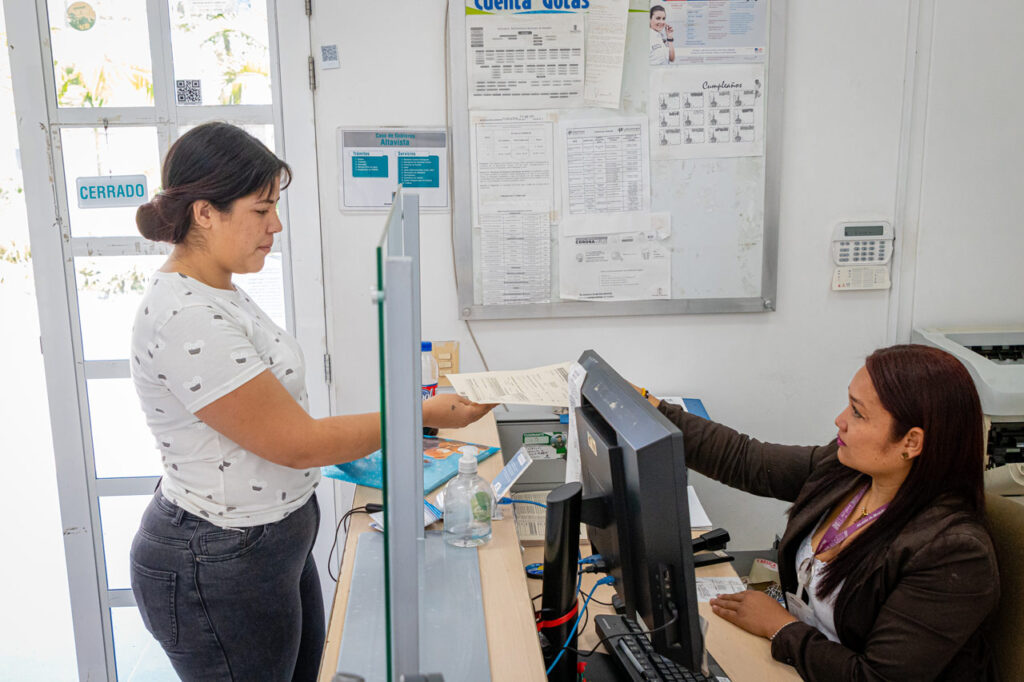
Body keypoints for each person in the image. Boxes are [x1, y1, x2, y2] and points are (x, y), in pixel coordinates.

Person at [128, 122, 495, 681]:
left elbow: (273, 420)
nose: (275, 225)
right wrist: (415, 416)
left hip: (270, 539)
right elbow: (296, 445)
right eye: (260, 210)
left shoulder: (219, 287)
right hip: (218, 556)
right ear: (205, 213)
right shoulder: (184, 315)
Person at [640, 345, 999, 680]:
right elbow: (745, 459)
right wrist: (647, 408)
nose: (840, 420)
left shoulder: (953, 553)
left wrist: (780, 627)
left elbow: (876, 678)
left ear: (911, 442)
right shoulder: (848, 471)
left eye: (858, 413)